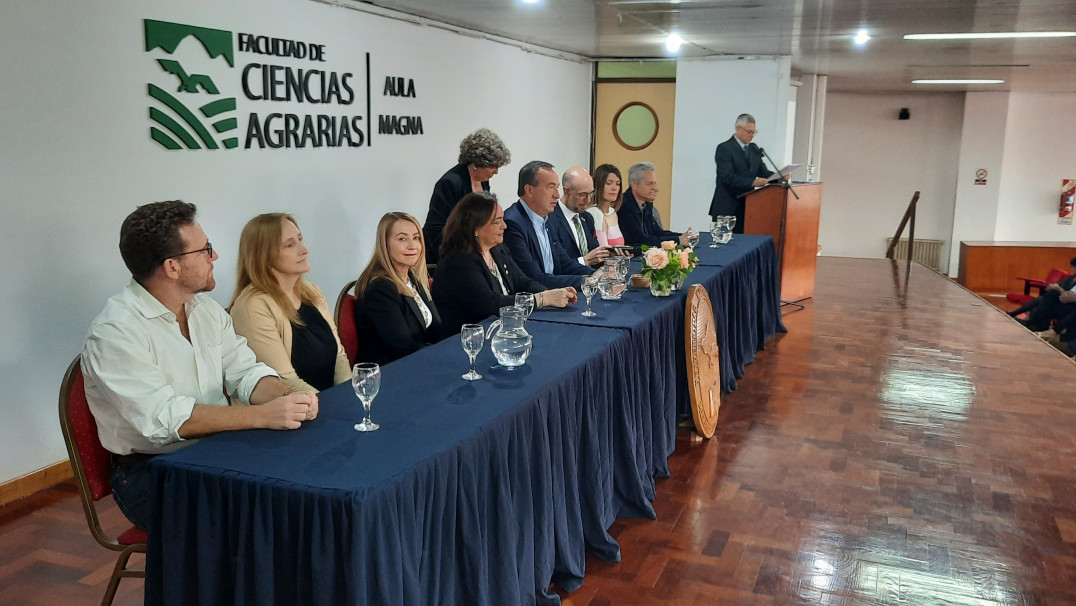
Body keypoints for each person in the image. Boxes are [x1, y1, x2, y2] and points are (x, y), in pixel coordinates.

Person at [81, 201, 318, 531]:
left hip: (215, 450)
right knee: (264, 519)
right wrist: (263, 415)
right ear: (172, 267)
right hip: (152, 470)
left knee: (308, 484)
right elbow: (163, 419)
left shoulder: (204, 309)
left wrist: (284, 396)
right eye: (205, 250)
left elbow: (245, 372)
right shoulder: (115, 332)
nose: (215, 257)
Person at [229, 213, 350, 392]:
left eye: (300, 239)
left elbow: (339, 357)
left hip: (331, 402)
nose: (304, 249)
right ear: (265, 255)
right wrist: (333, 408)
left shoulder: (312, 291)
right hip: (294, 412)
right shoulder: (253, 306)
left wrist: (348, 395)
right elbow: (285, 382)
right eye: (290, 244)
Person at [433, 191, 576, 336]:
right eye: (497, 222)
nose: (504, 226)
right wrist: (542, 299)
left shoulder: (498, 249)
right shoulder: (458, 263)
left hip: (503, 330)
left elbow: (522, 282)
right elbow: (491, 304)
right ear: (475, 227)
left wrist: (549, 293)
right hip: (469, 340)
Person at [353, 212, 443, 364]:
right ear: (385, 244)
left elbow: (436, 330)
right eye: (402, 239)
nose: (412, 245)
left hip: (420, 362)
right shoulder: (380, 289)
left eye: (416, 238)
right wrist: (445, 356)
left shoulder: (413, 278)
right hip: (389, 373)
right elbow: (403, 348)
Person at [423, 128, 512, 264]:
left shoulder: (484, 181)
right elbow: (436, 228)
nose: (496, 171)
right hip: (450, 254)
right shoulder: (450, 183)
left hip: (476, 250)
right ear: (476, 164)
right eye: (493, 166)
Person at [503, 160, 595, 289]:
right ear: (529, 190)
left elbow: (563, 262)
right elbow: (535, 278)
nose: (557, 195)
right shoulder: (513, 223)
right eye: (551, 187)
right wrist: (589, 281)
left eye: (557, 187)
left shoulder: (546, 219)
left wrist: (596, 275)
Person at [709, 113, 774, 233]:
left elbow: (763, 172)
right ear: (738, 129)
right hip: (727, 206)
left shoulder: (753, 149)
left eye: (754, 132)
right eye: (749, 132)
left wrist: (779, 177)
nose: (752, 135)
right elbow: (727, 177)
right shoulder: (725, 148)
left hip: (748, 207)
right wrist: (752, 182)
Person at [547, 165, 608, 268]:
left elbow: (595, 255)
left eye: (591, 193)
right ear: (566, 191)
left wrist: (611, 256)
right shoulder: (550, 219)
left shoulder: (587, 218)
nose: (588, 200)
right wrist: (584, 261)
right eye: (582, 195)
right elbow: (555, 264)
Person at [618, 162, 688, 247]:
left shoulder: (646, 205)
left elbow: (657, 233)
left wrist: (682, 236)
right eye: (650, 184)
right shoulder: (624, 206)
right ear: (634, 185)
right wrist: (678, 240)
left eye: (655, 183)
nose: (656, 189)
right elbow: (638, 240)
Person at [588, 164, 626, 247]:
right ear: (597, 185)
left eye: (618, 184)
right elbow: (603, 249)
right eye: (609, 183)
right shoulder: (594, 212)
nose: (614, 188)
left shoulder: (612, 212)